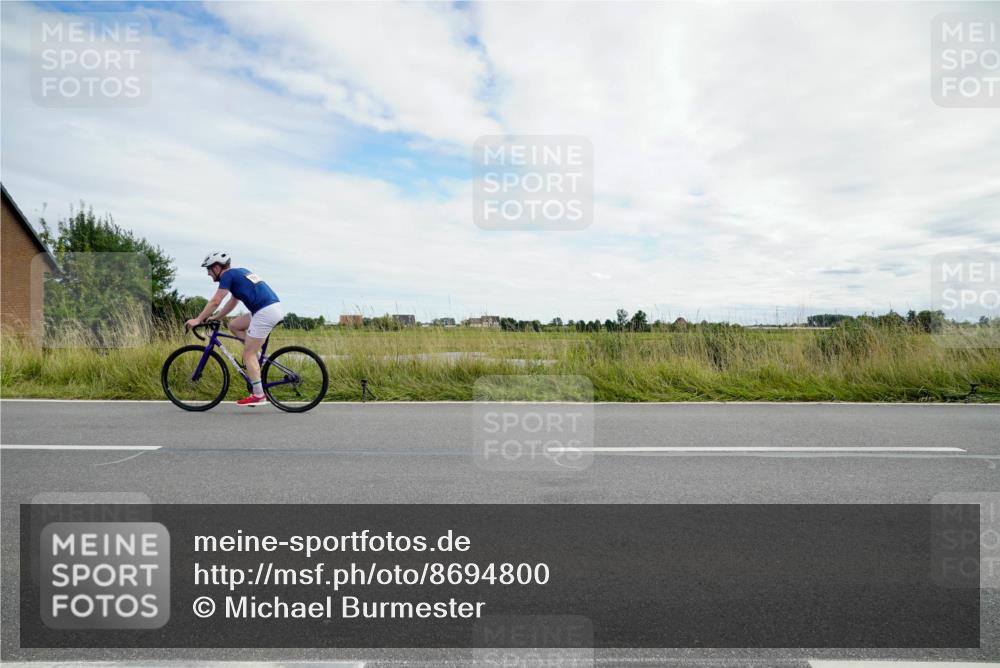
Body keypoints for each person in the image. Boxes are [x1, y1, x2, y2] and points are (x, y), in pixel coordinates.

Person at [185, 252, 284, 406]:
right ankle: (256, 358)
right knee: (234, 325)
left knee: (248, 354)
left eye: (209, 269)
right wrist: (216, 317)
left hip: (264, 312)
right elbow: (233, 301)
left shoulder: (227, 276)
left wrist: (198, 320)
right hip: (269, 308)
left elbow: (216, 300)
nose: (208, 274)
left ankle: (258, 394)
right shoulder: (239, 272)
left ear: (217, 267)